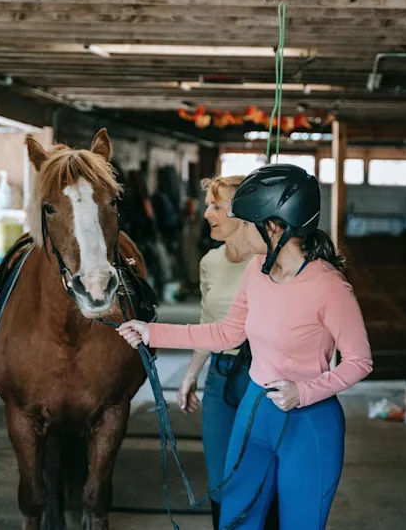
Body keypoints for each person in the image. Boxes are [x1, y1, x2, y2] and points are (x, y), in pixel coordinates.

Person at [118, 164, 373, 530]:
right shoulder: (257, 270)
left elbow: (359, 361)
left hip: (308, 421)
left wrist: (303, 392)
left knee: (300, 525)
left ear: (272, 227)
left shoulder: (329, 286)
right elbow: (227, 334)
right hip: (255, 411)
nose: (239, 226)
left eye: (247, 220)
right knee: (237, 521)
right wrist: (151, 332)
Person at [176, 175, 279, 529]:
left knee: (265, 473)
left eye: (216, 206)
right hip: (221, 375)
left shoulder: (274, 261)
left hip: (266, 376)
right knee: (221, 476)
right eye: (208, 205)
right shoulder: (211, 261)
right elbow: (210, 321)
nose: (206, 213)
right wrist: (191, 374)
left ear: (243, 212)